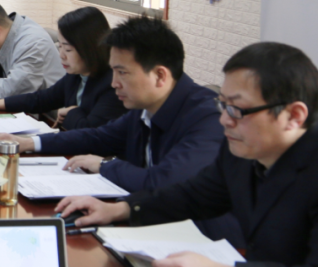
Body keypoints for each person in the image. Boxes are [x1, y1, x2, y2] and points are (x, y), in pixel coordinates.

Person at [0, 15, 241, 245]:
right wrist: (31, 143)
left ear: (160, 76)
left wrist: (106, 166)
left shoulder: (208, 118)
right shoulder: (145, 107)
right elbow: (98, 137)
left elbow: (165, 182)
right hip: (151, 224)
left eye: (122, 73)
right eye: (113, 71)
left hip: (207, 242)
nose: (114, 83)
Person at [56, 42, 318, 267]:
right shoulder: (241, 152)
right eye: (223, 104)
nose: (224, 120)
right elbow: (193, 196)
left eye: (237, 109)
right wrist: (119, 209)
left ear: (294, 116)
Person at [0, 6, 127, 130]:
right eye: (60, 46)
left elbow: (91, 134)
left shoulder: (111, 84)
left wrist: (72, 114)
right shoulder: (77, 75)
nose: (61, 55)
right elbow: (39, 99)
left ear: (90, 48)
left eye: (68, 49)